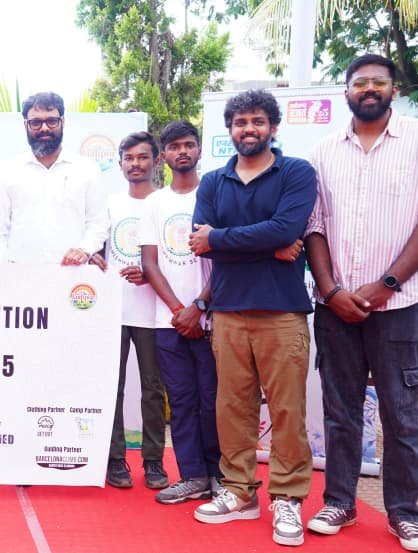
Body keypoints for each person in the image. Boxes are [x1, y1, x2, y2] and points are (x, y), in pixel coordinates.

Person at [304, 54, 418, 552]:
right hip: (336, 306)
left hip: (400, 305)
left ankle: (405, 514)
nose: (368, 89)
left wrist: (385, 285)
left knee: (400, 412)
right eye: (359, 82)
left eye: (378, 82)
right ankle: (339, 502)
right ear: (346, 92)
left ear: (394, 90)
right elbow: (314, 227)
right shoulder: (324, 150)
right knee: (340, 410)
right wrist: (331, 291)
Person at [189, 89, 316, 548]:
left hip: (281, 312)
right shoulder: (213, 181)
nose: (249, 129)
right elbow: (199, 243)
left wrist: (221, 239)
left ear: (273, 127)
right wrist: (267, 246)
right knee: (232, 407)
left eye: (258, 121)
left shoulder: (296, 172)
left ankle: (288, 497)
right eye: (240, 122)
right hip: (227, 311)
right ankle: (239, 492)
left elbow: (287, 229)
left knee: (287, 410)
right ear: (230, 129)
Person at [139, 121, 220, 504]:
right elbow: (150, 263)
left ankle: (221, 476)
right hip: (168, 322)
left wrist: (199, 306)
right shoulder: (154, 203)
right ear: (164, 156)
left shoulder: (216, 192)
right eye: (174, 146)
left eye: (188, 144)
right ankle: (192, 476)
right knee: (183, 401)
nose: (182, 151)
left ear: (199, 149)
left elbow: (226, 257)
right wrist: (178, 310)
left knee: (213, 401)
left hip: (213, 319)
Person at [88, 131, 169, 490]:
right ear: (120, 163)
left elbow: (176, 257)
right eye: (129, 158)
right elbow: (94, 247)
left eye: (143, 157)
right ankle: (114, 458)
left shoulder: (165, 203)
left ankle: (153, 461)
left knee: (153, 390)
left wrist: (151, 274)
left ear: (156, 161)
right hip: (112, 312)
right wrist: (93, 258)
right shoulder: (108, 205)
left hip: (155, 313)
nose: (136, 164)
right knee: (112, 389)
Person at [0, 92, 107, 265]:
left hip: (73, 274)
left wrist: (84, 250)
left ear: (63, 122)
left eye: (51, 121)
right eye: (36, 122)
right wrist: (4, 268)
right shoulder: (7, 170)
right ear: (25, 125)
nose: (44, 128)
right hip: (20, 275)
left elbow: (98, 224)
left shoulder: (87, 169)